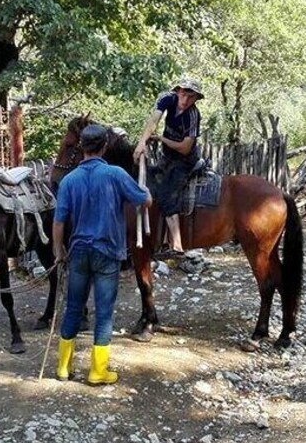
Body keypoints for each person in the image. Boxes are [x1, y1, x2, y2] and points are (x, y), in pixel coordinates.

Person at [53, 124, 152, 385]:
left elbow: (59, 221)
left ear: (82, 147)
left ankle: (64, 368)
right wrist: (148, 192)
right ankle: (98, 372)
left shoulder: (69, 180)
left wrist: (57, 252)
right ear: (105, 146)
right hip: (107, 253)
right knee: (104, 312)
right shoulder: (115, 174)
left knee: (74, 307)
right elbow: (143, 200)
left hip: (78, 253)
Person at [133, 77, 204, 254]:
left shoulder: (193, 115)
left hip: (185, 160)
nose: (185, 100)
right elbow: (153, 121)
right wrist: (142, 142)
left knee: (167, 193)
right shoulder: (166, 99)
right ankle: (159, 239)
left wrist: (161, 139)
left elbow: (185, 148)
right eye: (183, 94)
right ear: (177, 91)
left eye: (191, 96)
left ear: (196, 98)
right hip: (167, 156)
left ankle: (177, 246)